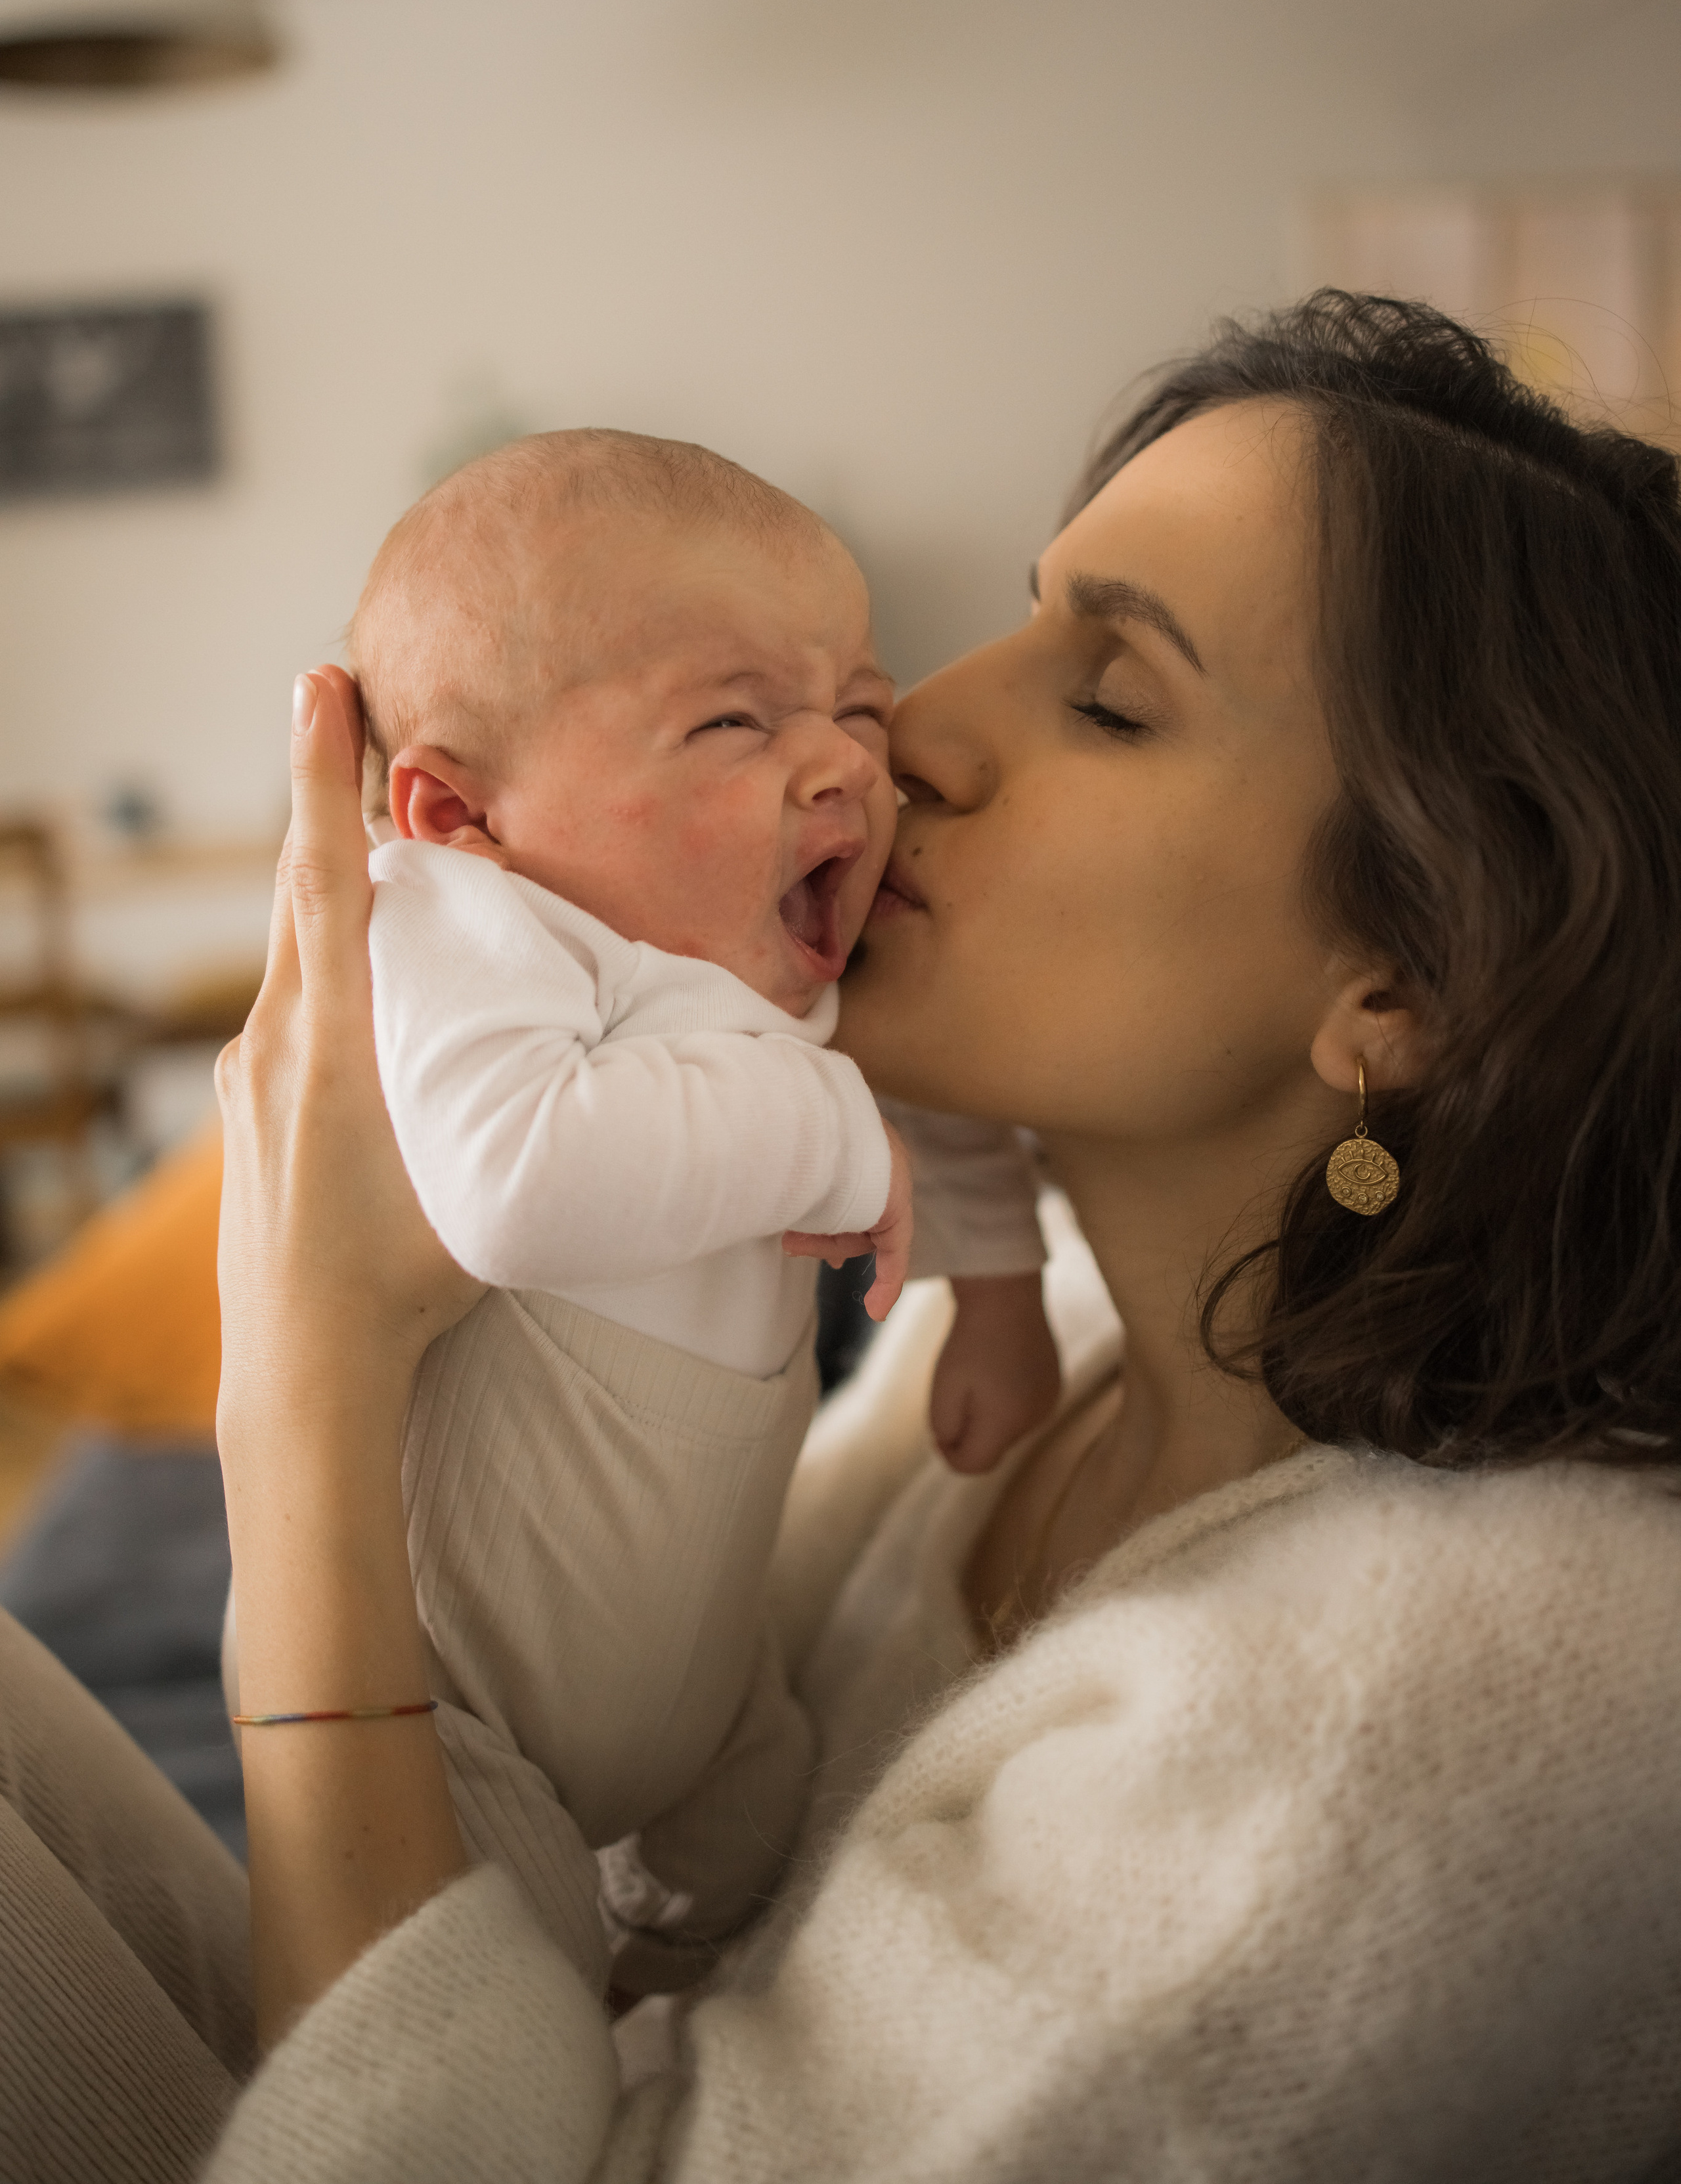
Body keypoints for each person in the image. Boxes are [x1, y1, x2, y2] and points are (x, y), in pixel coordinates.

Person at [6, 291, 1681, 2184]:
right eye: (1017, 618)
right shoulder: (1072, 1327)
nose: (918, 730)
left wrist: (300, 1390)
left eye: (1110, 695)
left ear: (1409, 980)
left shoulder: (1400, 1719)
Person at [246, 425, 1048, 1952]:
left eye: (857, 707)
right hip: (463, 1710)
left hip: (706, 1670)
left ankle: (680, 2015)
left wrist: (1000, 1302)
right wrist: (822, 1121)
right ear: (455, 814)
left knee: (750, 1879)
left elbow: (921, 1107)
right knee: (504, 1965)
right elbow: (516, 1182)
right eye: (734, 722)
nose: (843, 763)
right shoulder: (462, 925)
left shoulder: (775, 956)